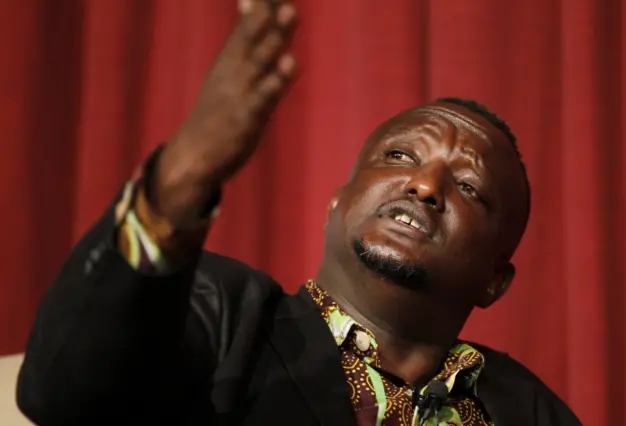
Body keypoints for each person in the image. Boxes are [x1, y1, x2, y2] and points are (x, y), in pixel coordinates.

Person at [16, 1, 581, 425]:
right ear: (336, 206)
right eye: (400, 155)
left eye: (469, 188)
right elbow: (65, 391)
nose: (425, 184)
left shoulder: (528, 409)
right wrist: (181, 176)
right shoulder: (223, 315)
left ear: (495, 281)